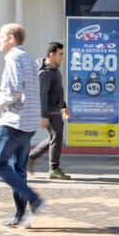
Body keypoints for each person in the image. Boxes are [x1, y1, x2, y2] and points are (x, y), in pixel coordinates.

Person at [0, 23, 44, 228]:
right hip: (28, 122)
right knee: (18, 170)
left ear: (12, 38)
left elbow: (13, 92)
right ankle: (20, 215)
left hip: (13, 121)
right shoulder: (29, 59)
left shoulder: (12, 58)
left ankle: (33, 199)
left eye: (1, 36)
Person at [27, 40, 69, 180]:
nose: (62, 57)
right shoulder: (45, 73)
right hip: (49, 110)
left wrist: (63, 105)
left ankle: (32, 157)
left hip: (55, 108)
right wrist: (43, 115)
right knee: (57, 136)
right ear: (51, 54)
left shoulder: (55, 70)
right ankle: (54, 169)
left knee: (55, 136)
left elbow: (57, 90)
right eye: (60, 54)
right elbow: (42, 94)